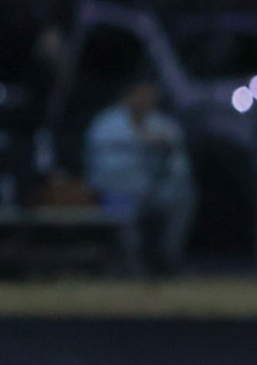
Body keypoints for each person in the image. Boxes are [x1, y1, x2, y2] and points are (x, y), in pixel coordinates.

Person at [84, 74, 198, 274]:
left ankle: (168, 256)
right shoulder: (107, 123)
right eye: (142, 94)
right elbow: (101, 168)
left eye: (151, 95)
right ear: (129, 95)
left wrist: (165, 150)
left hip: (152, 190)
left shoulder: (163, 123)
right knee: (124, 207)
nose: (146, 99)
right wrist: (141, 143)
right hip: (115, 191)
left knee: (184, 196)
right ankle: (131, 263)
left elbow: (180, 165)